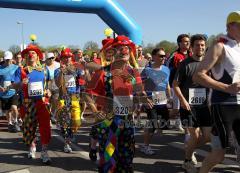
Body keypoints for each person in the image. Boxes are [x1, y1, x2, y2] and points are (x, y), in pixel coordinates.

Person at [86, 35, 152, 172]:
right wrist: (95, 111)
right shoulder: (103, 72)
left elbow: (138, 92)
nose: (124, 52)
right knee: (109, 158)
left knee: (127, 158)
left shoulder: (133, 73)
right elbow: (88, 94)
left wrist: (143, 98)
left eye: (127, 49)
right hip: (108, 121)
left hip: (127, 121)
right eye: (120, 49)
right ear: (113, 52)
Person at [193, 11, 240, 173]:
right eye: (239, 25)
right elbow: (198, 75)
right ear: (229, 26)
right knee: (219, 154)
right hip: (223, 106)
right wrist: (227, 88)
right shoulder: (220, 47)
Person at [173, 34, 212, 173]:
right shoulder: (185, 64)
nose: (200, 47)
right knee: (194, 136)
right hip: (189, 106)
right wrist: (182, 101)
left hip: (205, 107)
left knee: (208, 137)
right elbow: (175, 84)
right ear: (192, 47)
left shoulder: (209, 64)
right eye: (197, 45)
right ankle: (187, 161)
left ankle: (189, 146)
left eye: (202, 45)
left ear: (205, 46)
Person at [13, 44, 52, 164]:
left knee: (45, 127)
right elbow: (14, 85)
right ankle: (32, 147)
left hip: (42, 102)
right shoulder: (20, 70)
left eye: (33, 53)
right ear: (25, 57)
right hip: (27, 103)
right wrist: (21, 83)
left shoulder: (44, 70)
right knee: (29, 128)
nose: (30, 55)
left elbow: (48, 84)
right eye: (28, 53)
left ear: (38, 56)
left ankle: (44, 152)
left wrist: (49, 91)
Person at [140, 48, 171, 155]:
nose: (163, 58)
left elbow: (167, 85)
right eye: (160, 56)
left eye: (164, 56)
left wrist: (170, 97)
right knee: (152, 124)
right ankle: (145, 146)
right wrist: (145, 98)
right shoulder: (147, 70)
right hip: (150, 101)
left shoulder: (167, 69)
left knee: (165, 122)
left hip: (162, 99)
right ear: (153, 57)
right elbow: (140, 86)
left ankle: (147, 131)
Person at [54, 48, 83, 153]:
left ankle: (70, 135)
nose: (67, 59)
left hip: (74, 97)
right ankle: (67, 143)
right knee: (65, 122)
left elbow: (84, 79)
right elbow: (58, 84)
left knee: (77, 122)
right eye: (65, 57)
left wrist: (85, 68)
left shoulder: (76, 69)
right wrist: (62, 72)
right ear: (61, 59)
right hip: (63, 97)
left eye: (69, 57)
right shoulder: (57, 70)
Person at [168, 34, 191, 132]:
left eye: (188, 41)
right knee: (176, 108)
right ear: (179, 43)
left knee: (187, 106)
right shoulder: (175, 55)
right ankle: (168, 119)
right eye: (185, 41)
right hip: (176, 85)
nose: (187, 43)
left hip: (189, 86)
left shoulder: (191, 54)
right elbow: (169, 71)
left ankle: (185, 125)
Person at [0, 51, 20, 132]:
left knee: (14, 107)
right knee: (8, 110)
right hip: (3, 93)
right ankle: (10, 124)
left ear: (12, 59)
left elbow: (18, 80)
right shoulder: (0, 68)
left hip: (13, 91)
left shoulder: (16, 67)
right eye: (6, 60)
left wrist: (10, 86)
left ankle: (15, 121)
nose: (8, 61)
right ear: (4, 59)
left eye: (9, 60)